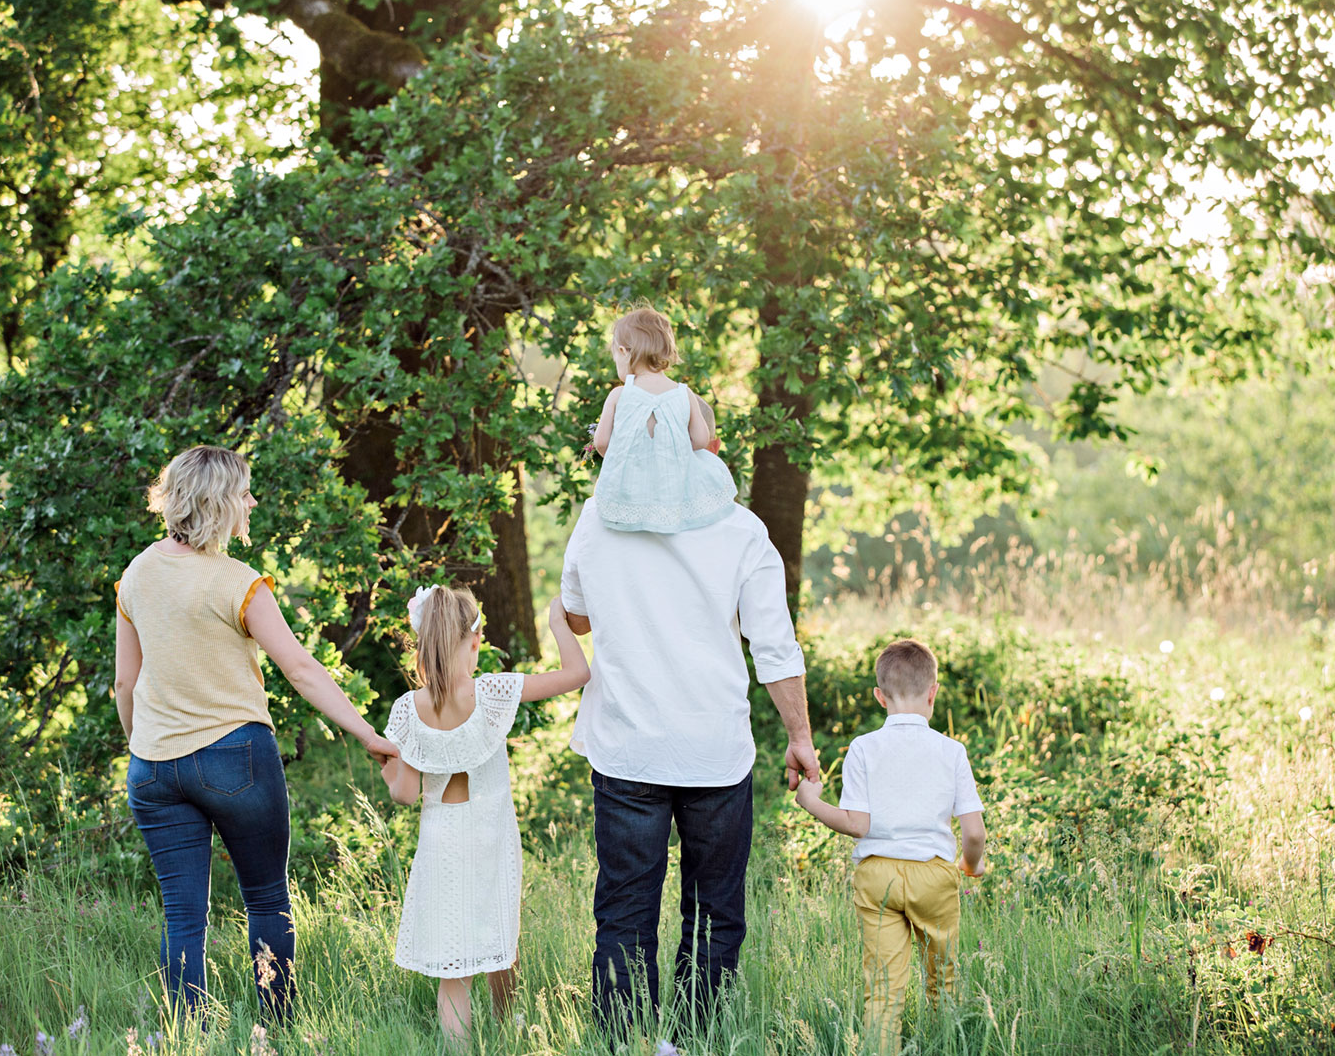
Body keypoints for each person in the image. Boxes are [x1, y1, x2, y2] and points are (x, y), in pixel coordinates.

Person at [113, 445, 400, 1020]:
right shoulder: (238, 583)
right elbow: (301, 670)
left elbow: (126, 684)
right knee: (267, 899)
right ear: (219, 502)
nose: (253, 501)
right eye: (244, 492)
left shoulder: (137, 573)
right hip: (234, 757)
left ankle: (188, 1035)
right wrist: (367, 734)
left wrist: (143, 746)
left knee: (182, 916)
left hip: (152, 766)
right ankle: (279, 1027)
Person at [561, 394, 817, 1032]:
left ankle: (624, 1044)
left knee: (625, 908)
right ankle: (693, 1039)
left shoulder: (597, 519)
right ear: (706, 445)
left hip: (627, 747)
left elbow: (579, 616)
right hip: (713, 749)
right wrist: (800, 738)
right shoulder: (740, 529)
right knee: (714, 911)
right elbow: (775, 646)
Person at [379, 585, 591, 1042]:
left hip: (441, 842)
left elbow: (405, 794)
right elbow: (577, 674)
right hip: (491, 836)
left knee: (454, 969)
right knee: (501, 938)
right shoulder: (493, 692)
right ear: (474, 641)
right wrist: (557, 623)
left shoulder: (408, 711)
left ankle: (460, 1049)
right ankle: (507, 1029)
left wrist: (387, 768)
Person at [793, 638, 987, 1042]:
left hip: (877, 876)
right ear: (933, 692)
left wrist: (812, 803)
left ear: (879, 696)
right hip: (934, 876)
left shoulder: (863, 748)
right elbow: (973, 832)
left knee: (882, 988)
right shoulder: (952, 751)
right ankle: (947, 1044)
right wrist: (971, 865)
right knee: (942, 976)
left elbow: (857, 825)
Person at [590, 304, 739, 534]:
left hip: (630, 491)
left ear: (623, 351)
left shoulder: (619, 395)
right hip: (673, 490)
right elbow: (701, 440)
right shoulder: (684, 393)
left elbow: (601, 443)